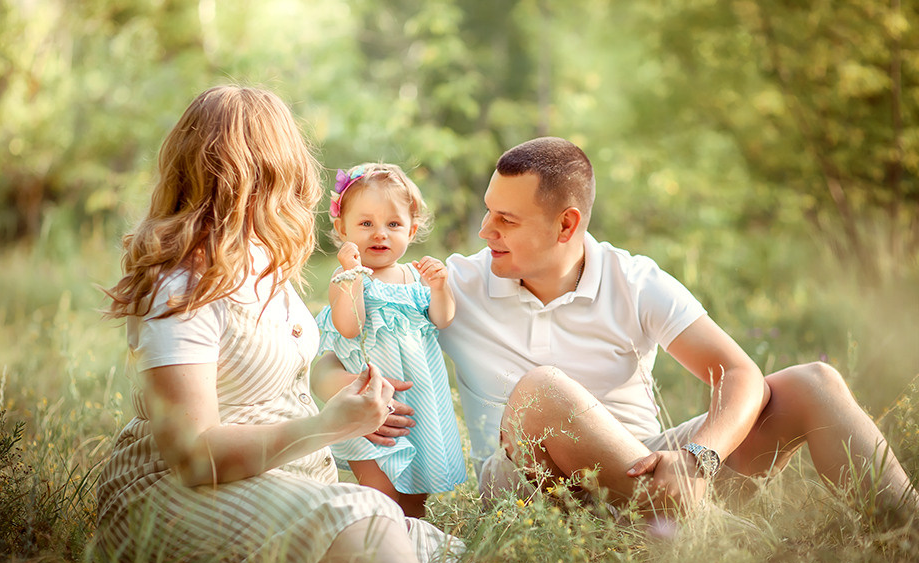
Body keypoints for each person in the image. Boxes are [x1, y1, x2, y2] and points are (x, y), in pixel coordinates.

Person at [314, 136, 919, 523]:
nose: (483, 230)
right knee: (542, 389)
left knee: (813, 382)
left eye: (505, 218)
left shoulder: (634, 281)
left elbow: (739, 373)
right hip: (529, 485)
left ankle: (904, 538)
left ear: (566, 224)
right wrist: (341, 385)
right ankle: (710, 539)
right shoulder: (454, 284)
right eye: (486, 210)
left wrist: (697, 459)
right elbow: (333, 344)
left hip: (653, 469)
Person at [96, 85, 518, 563]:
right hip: (175, 499)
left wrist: (340, 390)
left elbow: (297, 370)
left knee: (463, 560)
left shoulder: (263, 265)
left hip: (286, 484)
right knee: (363, 519)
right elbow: (195, 457)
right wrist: (325, 427)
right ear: (261, 174)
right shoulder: (180, 286)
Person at [315, 163, 466, 518]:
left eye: (393, 224)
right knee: (380, 492)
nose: (379, 234)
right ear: (341, 229)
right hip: (370, 406)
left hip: (420, 403)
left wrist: (440, 287)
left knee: (416, 495)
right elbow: (349, 327)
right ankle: (378, 540)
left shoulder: (415, 277)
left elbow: (442, 318)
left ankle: (413, 537)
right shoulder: (347, 278)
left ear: (412, 230)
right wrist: (351, 276)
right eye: (365, 224)